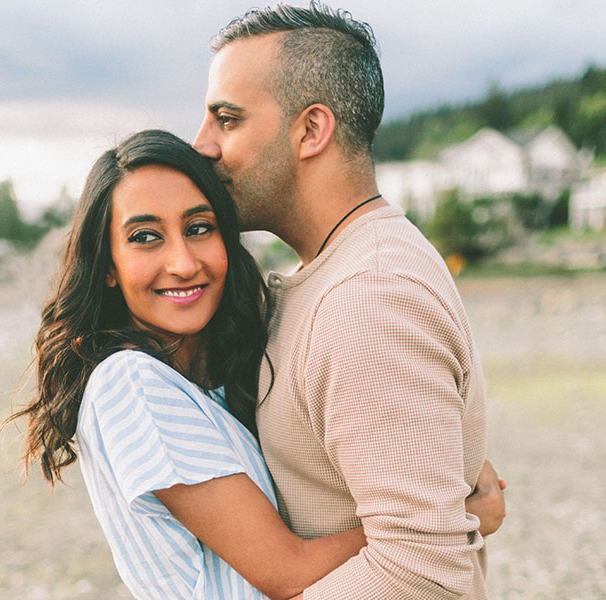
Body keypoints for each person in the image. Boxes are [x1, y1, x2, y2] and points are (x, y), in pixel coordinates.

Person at [192, 3, 504, 598]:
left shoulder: (367, 299)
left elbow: (420, 573)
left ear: (311, 130)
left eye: (226, 119)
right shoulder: (340, 271)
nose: (202, 145)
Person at [4, 129, 369, 600]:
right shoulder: (130, 383)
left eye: (199, 228)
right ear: (108, 266)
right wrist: (437, 522)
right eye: (145, 237)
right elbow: (289, 572)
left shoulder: (211, 378)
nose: (182, 262)